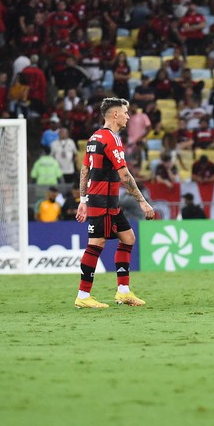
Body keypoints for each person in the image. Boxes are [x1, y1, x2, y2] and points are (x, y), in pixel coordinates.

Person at [74, 97, 156, 309]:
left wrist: (83, 199)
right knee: (97, 243)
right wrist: (143, 202)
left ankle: (123, 292)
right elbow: (125, 175)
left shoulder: (94, 138)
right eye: (126, 112)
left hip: (104, 200)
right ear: (115, 114)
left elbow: (85, 170)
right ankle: (83, 295)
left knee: (128, 238)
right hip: (103, 201)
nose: (128, 116)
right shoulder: (111, 139)